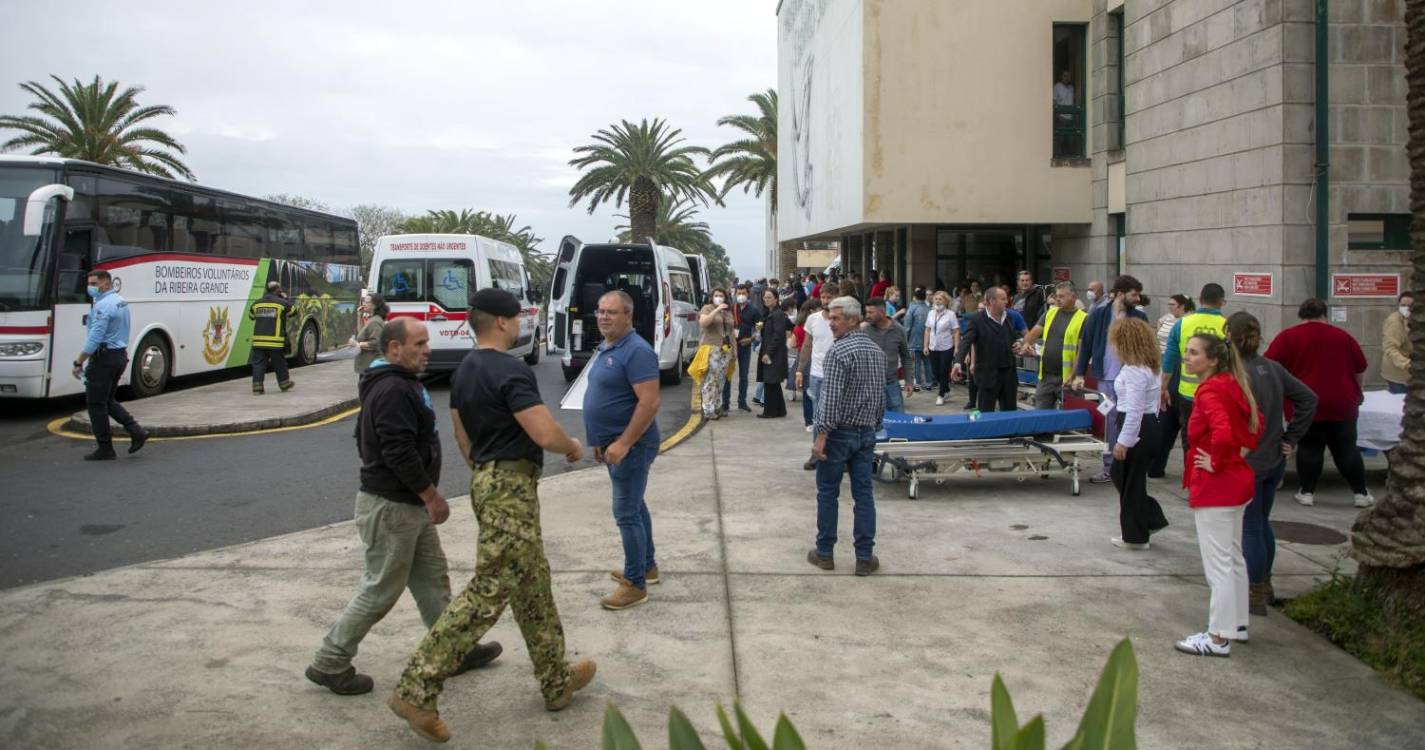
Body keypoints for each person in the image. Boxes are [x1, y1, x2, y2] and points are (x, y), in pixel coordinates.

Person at [386, 292, 594, 742]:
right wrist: (572, 446)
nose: (520, 324)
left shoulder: (464, 371)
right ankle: (415, 688)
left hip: (487, 480)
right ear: (501, 322)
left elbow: (460, 433)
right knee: (491, 589)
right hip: (510, 488)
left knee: (532, 582)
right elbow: (543, 431)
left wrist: (484, 473)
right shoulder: (510, 370)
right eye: (516, 318)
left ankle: (556, 679)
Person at [311, 315, 504, 699]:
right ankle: (330, 661)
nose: (427, 350)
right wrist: (430, 495)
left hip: (406, 506)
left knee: (432, 580)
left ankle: (453, 649)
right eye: (419, 344)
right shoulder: (392, 390)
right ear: (394, 348)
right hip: (392, 508)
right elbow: (396, 451)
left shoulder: (398, 383)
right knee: (381, 589)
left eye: (426, 342)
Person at [1174, 333, 1262, 658]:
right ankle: (1236, 625)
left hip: (1217, 487)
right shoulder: (1233, 384)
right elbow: (1257, 425)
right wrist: (1237, 455)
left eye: (1193, 352)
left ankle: (1217, 637)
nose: (1186, 357)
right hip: (1237, 483)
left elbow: (1223, 433)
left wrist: (1218, 461)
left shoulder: (1210, 390)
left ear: (1212, 360)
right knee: (1233, 558)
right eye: (1187, 351)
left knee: (1219, 566)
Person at [1227, 312, 1316, 616]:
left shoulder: (1237, 374)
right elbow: (1308, 399)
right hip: (1273, 459)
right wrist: (1291, 437)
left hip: (1249, 462)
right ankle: (1264, 583)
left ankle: (1253, 590)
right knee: (1262, 522)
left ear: (1230, 336)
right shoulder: (1273, 368)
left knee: (1250, 526)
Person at [582, 290, 663, 610]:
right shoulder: (609, 345)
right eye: (600, 311)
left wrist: (624, 442)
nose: (603, 317)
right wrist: (600, 440)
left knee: (626, 512)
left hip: (633, 445)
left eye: (611, 312)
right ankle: (646, 566)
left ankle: (635, 584)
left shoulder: (637, 351)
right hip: (613, 442)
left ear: (628, 315)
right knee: (635, 505)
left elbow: (650, 403)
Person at [1265, 298, 1373, 508]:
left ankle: (1307, 492)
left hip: (1304, 404)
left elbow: (1270, 365)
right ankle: (1360, 493)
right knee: (1346, 449)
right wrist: (1357, 392)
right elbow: (1360, 368)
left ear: (1300, 315)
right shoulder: (1343, 336)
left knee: (1309, 448)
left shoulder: (1287, 337)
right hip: (1342, 402)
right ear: (1325, 314)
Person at [808, 297, 886, 576]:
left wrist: (821, 436)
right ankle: (864, 557)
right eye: (830, 318)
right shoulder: (876, 351)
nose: (831, 323)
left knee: (828, 492)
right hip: (866, 431)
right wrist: (874, 425)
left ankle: (825, 552)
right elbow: (880, 395)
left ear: (853, 320)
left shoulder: (839, 351)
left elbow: (830, 399)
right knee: (863, 495)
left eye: (836, 319)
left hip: (839, 433)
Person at [1073, 275, 1149, 483]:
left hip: (1130, 380)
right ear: (1121, 294)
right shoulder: (1098, 315)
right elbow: (1086, 345)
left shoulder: (1139, 317)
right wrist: (1080, 374)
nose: (1137, 298)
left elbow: (1146, 348)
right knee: (1109, 424)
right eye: (1134, 294)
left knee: (1131, 420)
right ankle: (1110, 467)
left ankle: (1128, 466)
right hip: (1106, 379)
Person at [1105, 318, 1168, 549]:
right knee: (1128, 478)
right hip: (1147, 425)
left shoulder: (1134, 371)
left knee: (1128, 479)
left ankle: (1136, 534)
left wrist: (1124, 441)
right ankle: (1148, 519)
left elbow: (1134, 410)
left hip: (1137, 427)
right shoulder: (1149, 367)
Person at [72, 269, 148, 460]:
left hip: (104, 359)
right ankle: (136, 431)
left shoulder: (103, 306)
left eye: (94, 284)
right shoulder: (120, 300)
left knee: (95, 403)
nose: (90, 288)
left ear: (106, 284)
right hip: (119, 356)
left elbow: (94, 338)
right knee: (107, 400)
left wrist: (78, 362)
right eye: (89, 284)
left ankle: (105, 448)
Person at [1160, 283, 1228, 453]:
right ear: (1221, 302)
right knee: (1215, 437)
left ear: (1200, 299)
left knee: (1190, 439)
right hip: (1218, 394)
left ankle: (1191, 468)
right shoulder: (1228, 326)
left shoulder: (1182, 324)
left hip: (1188, 394)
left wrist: (1163, 387)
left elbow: (1169, 359)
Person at [1019, 281, 1085, 410]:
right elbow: (1033, 333)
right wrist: (1025, 343)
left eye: (1062, 296)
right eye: (1057, 296)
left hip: (1067, 378)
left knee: (1070, 415)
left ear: (1073, 297)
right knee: (1041, 415)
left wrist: (1072, 375)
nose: (1058, 299)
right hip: (1046, 376)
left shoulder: (1083, 318)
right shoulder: (1050, 313)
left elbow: (1081, 352)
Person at [1150, 294, 1195, 477]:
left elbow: (1170, 355)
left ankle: (1158, 468)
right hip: (1171, 373)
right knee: (1168, 427)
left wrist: (1164, 385)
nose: (1170, 307)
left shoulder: (1183, 324)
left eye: (1173, 305)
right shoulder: (1168, 320)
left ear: (1183, 306)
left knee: (1176, 428)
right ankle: (1156, 468)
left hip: (1178, 373)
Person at [953, 287, 1018, 412]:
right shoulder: (977, 319)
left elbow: (1013, 338)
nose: (1007, 301)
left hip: (1008, 374)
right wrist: (958, 362)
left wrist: (1018, 344)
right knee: (985, 413)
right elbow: (966, 341)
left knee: (1010, 414)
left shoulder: (1009, 317)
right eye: (1003, 299)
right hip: (988, 375)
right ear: (992, 301)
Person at [797, 286, 838, 469]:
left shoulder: (844, 320)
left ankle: (838, 455)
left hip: (838, 375)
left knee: (839, 417)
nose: (826, 300)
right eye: (823, 297)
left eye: (829, 297)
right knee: (818, 417)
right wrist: (799, 370)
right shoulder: (812, 319)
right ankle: (816, 455)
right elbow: (807, 346)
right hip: (817, 375)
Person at [862, 297, 914, 414]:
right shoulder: (865, 330)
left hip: (892, 385)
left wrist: (909, 381)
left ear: (882, 312)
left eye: (870, 312)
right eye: (866, 312)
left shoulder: (899, 330)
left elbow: (906, 357)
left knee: (899, 420)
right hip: (870, 387)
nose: (867, 316)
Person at [249, 281, 295, 395]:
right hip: (275, 341)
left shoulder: (257, 303)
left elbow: (251, 316)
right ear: (278, 291)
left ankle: (257, 387)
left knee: (258, 364)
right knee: (279, 363)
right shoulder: (282, 303)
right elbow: (294, 311)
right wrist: (286, 298)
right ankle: (284, 384)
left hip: (259, 341)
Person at [696, 288, 735, 420]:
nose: (719, 298)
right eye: (716, 295)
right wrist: (717, 309)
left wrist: (734, 350)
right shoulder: (707, 308)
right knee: (711, 378)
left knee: (721, 379)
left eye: (721, 296)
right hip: (711, 347)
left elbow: (731, 332)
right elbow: (704, 323)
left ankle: (717, 405)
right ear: (712, 297)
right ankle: (708, 408)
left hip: (725, 348)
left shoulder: (728, 312)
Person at [727, 287, 763, 413]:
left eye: (743, 293)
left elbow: (759, 326)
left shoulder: (754, 310)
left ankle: (742, 402)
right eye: (739, 293)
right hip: (730, 346)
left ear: (748, 294)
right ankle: (725, 403)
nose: (741, 295)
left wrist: (751, 339)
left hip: (745, 345)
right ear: (735, 294)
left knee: (744, 375)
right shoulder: (730, 308)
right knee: (727, 374)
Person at [757, 288, 791, 418]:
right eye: (765, 297)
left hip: (774, 353)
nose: (766, 300)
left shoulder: (778, 314)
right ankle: (780, 410)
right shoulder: (768, 313)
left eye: (769, 297)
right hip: (769, 350)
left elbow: (778, 335)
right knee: (773, 382)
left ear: (776, 299)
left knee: (771, 382)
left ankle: (770, 411)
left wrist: (768, 353)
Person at [924, 291, 960, 405]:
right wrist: (925, 345)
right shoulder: (930, 313)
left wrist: (956, 347)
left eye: (940, 299)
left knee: (943, 371)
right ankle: (946, 389)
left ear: (945, 301)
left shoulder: (951, 314)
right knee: (935, 372)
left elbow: (956, 331)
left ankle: (941, 395)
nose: (938, 301)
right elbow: (927, 330)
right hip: (933, 346)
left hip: (946, 347)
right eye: (936, 299)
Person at [1382, 291, 1413, 395]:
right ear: (1398, 305)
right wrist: (1408, 364)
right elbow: (1390, 349)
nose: (1406, 308)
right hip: (1398, 376)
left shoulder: (1413, 318)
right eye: (1403, 305)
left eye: (1410, 305)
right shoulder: (1395, 322)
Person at [351, 294, 388, 377]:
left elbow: (376, 343)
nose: (364, 304)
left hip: (371, 368)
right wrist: (359, 315)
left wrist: (357, 344)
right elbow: (361, 333)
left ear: (375, 305)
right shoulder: (372, 319)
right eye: (363, 302)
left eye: (367, 302)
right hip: (368, 368)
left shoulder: (374, 321)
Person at [904, 288, 933, 391]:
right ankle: (929, 382)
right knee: (927, 361)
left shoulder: (912, 309)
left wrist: (905, 339)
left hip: (914, 339)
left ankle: (918, 383)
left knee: (916, 363)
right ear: (925, 297)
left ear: (915, 297)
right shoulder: (929, 309)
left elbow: (907, 326)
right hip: (928, 340)